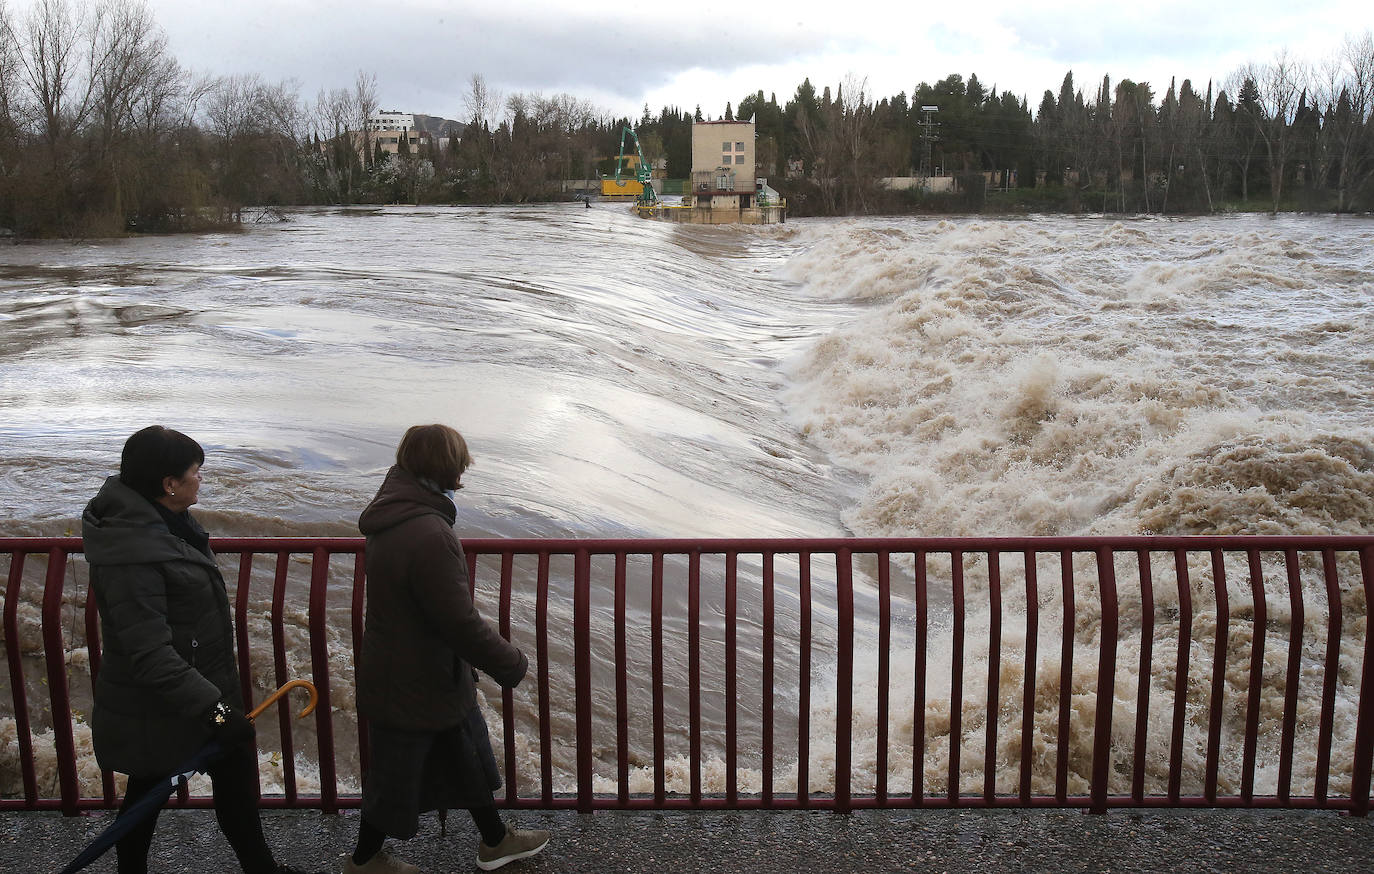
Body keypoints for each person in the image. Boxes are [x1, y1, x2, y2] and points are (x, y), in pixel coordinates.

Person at [81, 426, 321, 874]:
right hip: (163, 707)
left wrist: (216, 704)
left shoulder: (165, 526)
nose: (201, 480)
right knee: (147, 795)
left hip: (195, 696)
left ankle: (260, 868)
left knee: (227, 784)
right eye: (196, 472)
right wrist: (216, 711)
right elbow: (151, 655)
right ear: (169, 483)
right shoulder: (135, 553)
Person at [347, 424, 549, 874]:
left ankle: (495, 840)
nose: (464, 469)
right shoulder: (430, 533)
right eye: (461, 461)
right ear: (449, 467)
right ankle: (364, 861)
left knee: (463, 753)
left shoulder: (393, 517)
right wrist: (510, 662)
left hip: (410, 670)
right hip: (419, 677)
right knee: (394, 777)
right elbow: (458, 621)